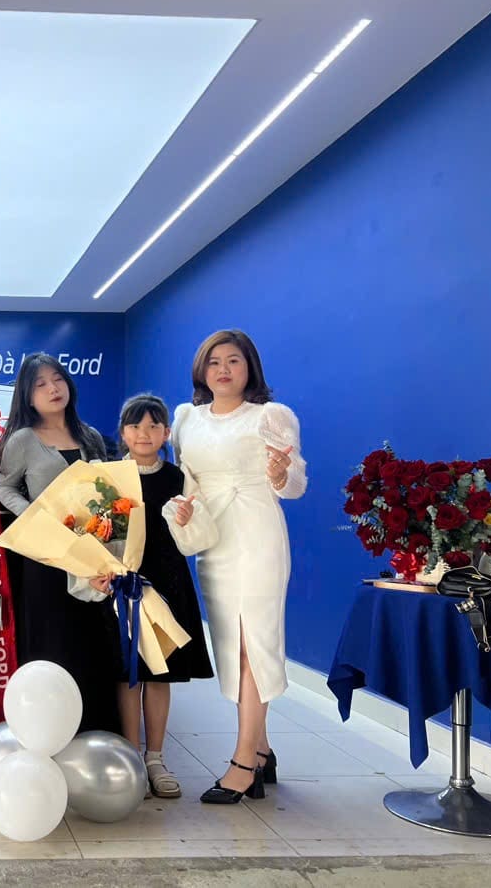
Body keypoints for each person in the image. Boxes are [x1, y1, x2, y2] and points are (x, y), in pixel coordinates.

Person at [170, 329, 305, 804]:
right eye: (214, 362)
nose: (223, 370)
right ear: (201, 370)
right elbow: (186, 483)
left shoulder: (271, 416)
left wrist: (281, 474)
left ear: (250, 367)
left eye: (233, 360)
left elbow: (295, 486)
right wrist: (181, 513)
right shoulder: (185, 418)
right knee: (232, 645)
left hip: (257, 534)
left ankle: (243, 762)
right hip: (214, 540)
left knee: (253, 644)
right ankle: (262, 750)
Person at [86, 394, 215, 798]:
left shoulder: (179, 478)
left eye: (153, 426)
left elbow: (196, 537)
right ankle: (130, 756)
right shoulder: (106, 477)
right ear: (122, 433)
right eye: (135, 426)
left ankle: (155, 758)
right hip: (122, 586)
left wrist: (187, 521)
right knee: (128, 673)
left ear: (166, 433)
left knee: (160, 674)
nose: (144, 434)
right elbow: (92, 532)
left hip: (168, 584)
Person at [0, 353, 119, 733]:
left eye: (58, 379)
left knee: (89, 638)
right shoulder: (22, 440)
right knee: (51, 637)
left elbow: (107, 491)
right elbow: (4, 488)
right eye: (41, 384)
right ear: (28, 396)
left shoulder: (90, 436)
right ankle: (46, 727)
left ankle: (92, 726)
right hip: (46, 556)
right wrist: (35, 516)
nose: (53, 388)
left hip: (89, 555)